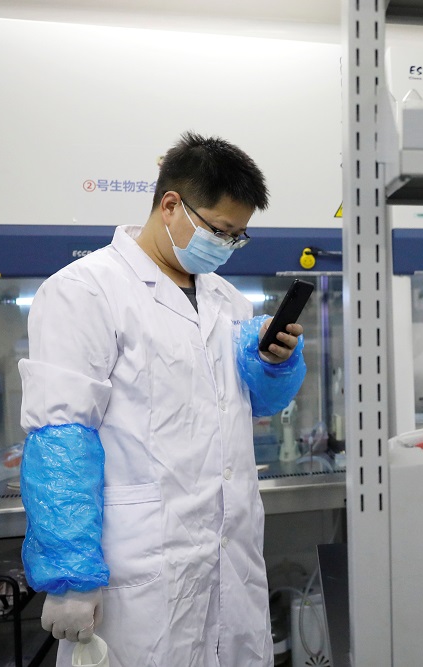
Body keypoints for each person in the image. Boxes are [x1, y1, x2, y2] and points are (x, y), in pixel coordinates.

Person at [18, 131, 307, 667]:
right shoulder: (86, 290)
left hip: (230, 557)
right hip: (141, 568)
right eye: (220, 231)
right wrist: (70, 573)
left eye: (238, 237)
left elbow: (255, 406)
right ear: (171, 205)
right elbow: (61, 437)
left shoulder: (227, 300)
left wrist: (274, 365)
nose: (226, 246)